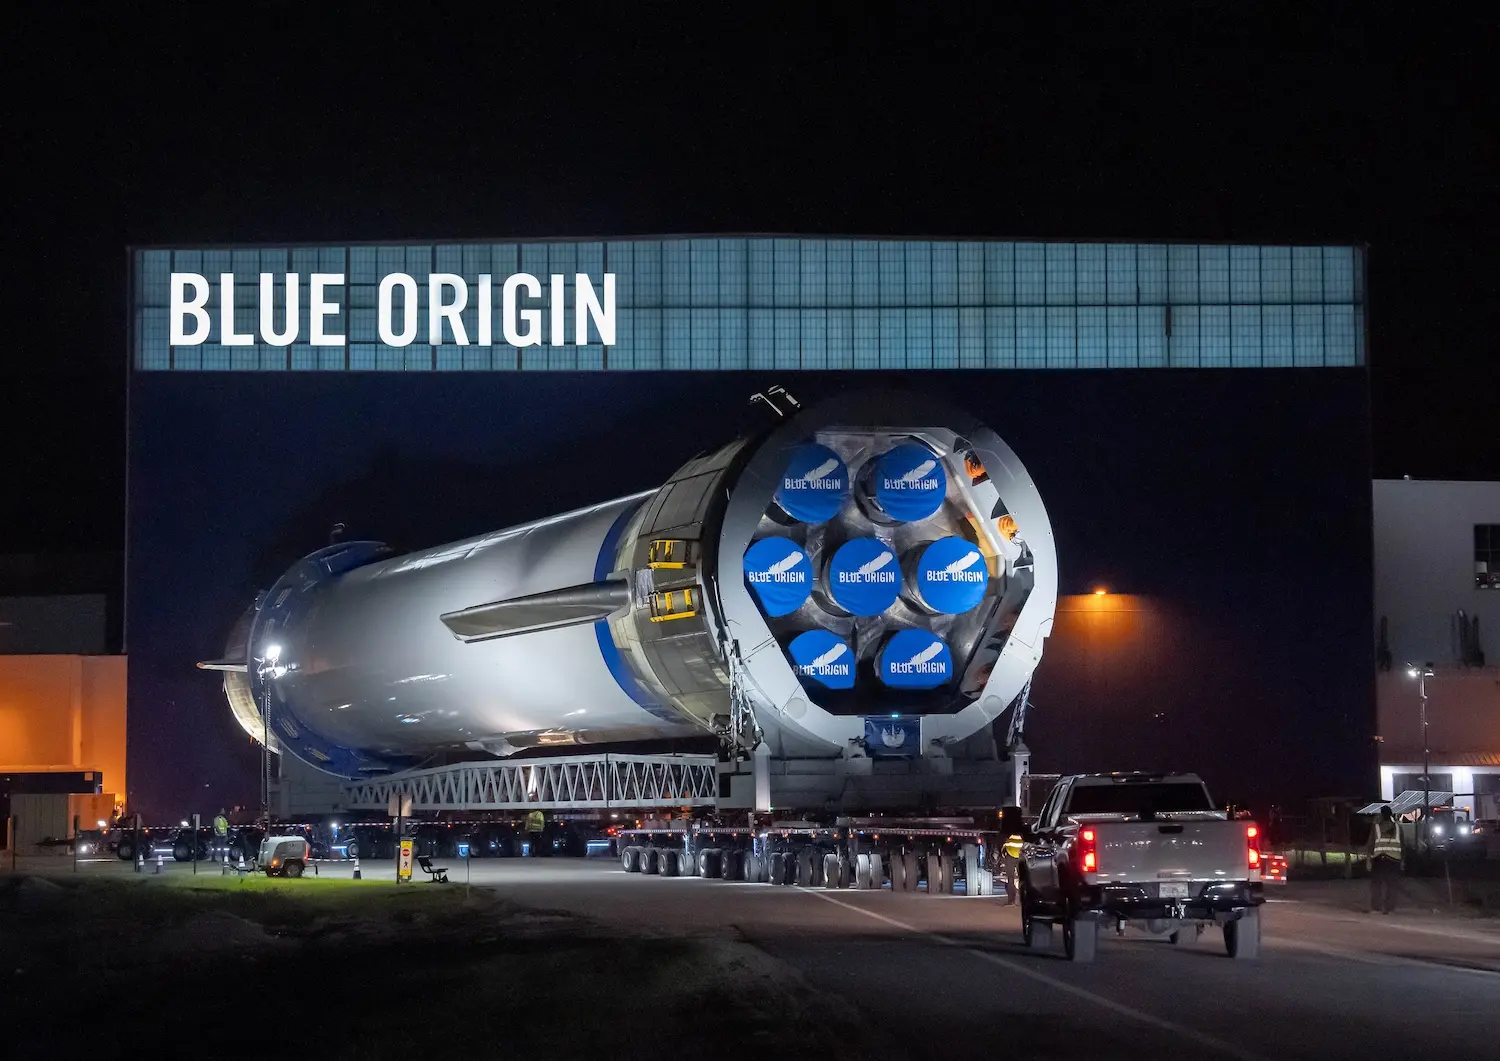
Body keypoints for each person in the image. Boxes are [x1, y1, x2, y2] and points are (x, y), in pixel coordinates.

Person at [1366, 805, 1403, 914]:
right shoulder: (1398, 828)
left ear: (1381, 815)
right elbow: (1403, 846)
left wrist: (1368, 861)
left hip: (1379, 859)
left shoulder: (1376, 827)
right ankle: (1389, 908)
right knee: (1392, 885)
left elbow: (1370, 845)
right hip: (1394, 860)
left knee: (1376, 884)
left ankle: (1376, 908)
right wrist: (1402, 861)